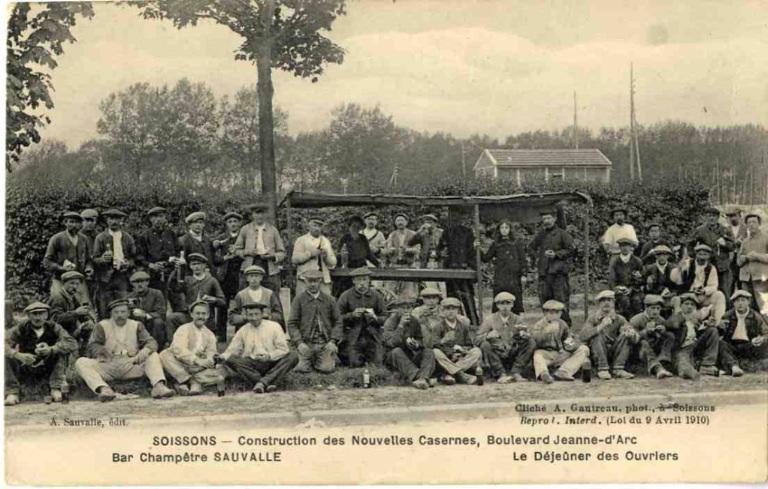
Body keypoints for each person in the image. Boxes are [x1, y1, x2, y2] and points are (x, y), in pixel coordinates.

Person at [74, 299, 175, 401]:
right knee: (81, 362)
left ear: (128, 313)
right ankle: (104, 389)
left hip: (131, 363)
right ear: (111, 314)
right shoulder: (102, 325)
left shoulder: (136, 325)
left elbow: (151, 342)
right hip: (108, 363)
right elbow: (92, 345)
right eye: (116, 312)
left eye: (123, 312)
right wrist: (102, 351)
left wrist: (145, 351)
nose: (120, 315)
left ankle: (158, 387)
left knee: (153, 355)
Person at [5, 302, 77, 406]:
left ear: (47, 315)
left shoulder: (54, 327)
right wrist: (18, 355)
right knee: (6, 356)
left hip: (48, 367)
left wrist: (51, 349)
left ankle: (55, 388)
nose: (38, 317)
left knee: (60, 352)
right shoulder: (21, 328)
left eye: (41, 313)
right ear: (29, 316)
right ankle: (12, 392)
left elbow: (72, 343)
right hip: (26, 366)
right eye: (34, 314)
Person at [219, 302, 298, 393]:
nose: (254, 318)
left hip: (272, 363)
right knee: (230, 359)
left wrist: (269, 356)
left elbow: (283, 349)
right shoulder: (243, 330)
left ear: (262, 314)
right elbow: (232, 350)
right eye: (250, 315)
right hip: (252, 365)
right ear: (246, 316)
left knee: (293, 356)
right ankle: (268, 382)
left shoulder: (274, 326)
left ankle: (262, 382)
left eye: (256, 314)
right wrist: (222, 356)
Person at [159, 300, 224, 395]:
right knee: (164, 355)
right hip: (181, 363)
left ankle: (183, 383)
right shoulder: (183, 329)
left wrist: (208, 360)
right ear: (191, 314)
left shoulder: (210, 334)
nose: (201, 316)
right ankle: (191, 381)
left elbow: (211, 351)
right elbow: (179, 349)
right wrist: (195, 359)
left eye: (203, 314)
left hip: (198, 367)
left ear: (208, 315)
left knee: (221, 372)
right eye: (197, 313)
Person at [288, 270, 343, 374]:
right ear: (305, 282)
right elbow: (292, 323)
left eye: (316, 281)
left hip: (324, 343)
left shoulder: (329, 300)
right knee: (300, 368)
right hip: (306, 342)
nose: (313, 284)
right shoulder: (298, 300)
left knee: (327, 369)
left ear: (320, 281)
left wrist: (333, 341)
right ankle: (309, 359)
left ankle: (324, 358)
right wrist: (299, 343)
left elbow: (338, 322)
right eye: (310, 281)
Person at [474, 292, 535, 383]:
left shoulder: (517, 319)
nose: (505, 307)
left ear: (512, 305)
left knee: (531, 342)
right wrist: (487, 335)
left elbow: (527, 334)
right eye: (502, 304)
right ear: (497, 305)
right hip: (497, 353)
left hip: (513, 352)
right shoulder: (490, 320)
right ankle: (500, 373)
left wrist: (524, 335)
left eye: (508, 303)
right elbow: (476, 340)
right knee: (485, 344)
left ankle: (516, 372)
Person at [528, 210, 575, 324]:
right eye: (544, 219)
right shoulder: (541, 234)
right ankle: (548, 325)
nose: (546, 221)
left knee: (560, 300)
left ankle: (564, 327)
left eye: (549, 218)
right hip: (544, 273)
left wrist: (557, 254)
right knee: (545, 300)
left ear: (554, 219)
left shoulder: (562, 233)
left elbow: (572, 249)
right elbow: (531, 247)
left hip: (558, 273)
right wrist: (538, 257)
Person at [578, 290, 635, 380]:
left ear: (613, 303)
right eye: (603, 300)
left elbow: (633, 337)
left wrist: (631, 334)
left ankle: (618, 369)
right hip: (598, 352)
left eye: (609, 300)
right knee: (597, 335)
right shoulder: (593, 318)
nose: (606, 303)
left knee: (625, 336)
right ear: (599, 304)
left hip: (615, 351)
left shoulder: (619, 319)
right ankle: (602, 369)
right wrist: (600, 326)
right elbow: (582, 336)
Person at [336, 267, 387, 368]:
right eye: (359, 280)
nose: (362, 283)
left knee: (377, 363)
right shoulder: (346, 296)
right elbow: (336, 318)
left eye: (364, 279)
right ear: (353, 281)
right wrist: (351, 315)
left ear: (369, 280)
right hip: (352, 335)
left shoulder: (376, 296)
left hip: (373, 336)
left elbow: (385, 317)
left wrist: (375, 318)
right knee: (354, 363)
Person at [529, 300, 590, 383]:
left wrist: (570, 345)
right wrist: (547, 332)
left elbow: (568, 339)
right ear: (545, 313)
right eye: (550, 312)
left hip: (560, 353)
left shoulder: (562, 324)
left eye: (557, 313)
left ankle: (564, 371)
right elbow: (535, 340)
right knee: (537, 355)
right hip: (546, 353)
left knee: (583, 349)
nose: (553, 315)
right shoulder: (539, 325)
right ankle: (544, 374)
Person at [91, 208, 136, 318]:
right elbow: (94, 258)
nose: (114, 222)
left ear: (121, 221)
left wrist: (128, 263)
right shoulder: (101, 238)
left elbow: (134, 258)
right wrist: (102, 259)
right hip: (105, 278)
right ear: (107, 220)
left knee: (122, 306)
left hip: (122, 277)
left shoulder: (128, 238)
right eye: (111, 218)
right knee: (104, 308)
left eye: (117, 219)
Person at [166, 253, 226, 336]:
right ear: (190, 266)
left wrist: (213, 299)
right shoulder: (187, 280)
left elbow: (222, 301)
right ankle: (173, 345)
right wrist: (176, 271)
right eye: (193, 264)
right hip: (189, 315)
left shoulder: (212, 281)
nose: (196, 267)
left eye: (199, 264)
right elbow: (174, 288)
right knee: (171, 318)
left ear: (204, 265)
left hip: (205, 317)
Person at [382, 298, 435, 390]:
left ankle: (422, 378)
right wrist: (401, 326)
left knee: (429, 351)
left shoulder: (414, 321)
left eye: (409, 308)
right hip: (393, 357)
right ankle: (419, 377)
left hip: (410, 354)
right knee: (396, 351)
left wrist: (416, 344)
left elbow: (420, 339)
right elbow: (391, 343)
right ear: (397, 309)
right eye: (403, 308)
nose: (406, 310)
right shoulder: (390, 322)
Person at [665, 293, 720, 379]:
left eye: (692, 305)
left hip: (695, 346)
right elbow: (674, 325)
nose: (689, 307)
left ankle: (706, 365)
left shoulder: (696, 320)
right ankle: (687, 371)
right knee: (683, 361)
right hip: (682, 348)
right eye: (686, 304)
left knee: (713, 330)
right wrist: (678, 310)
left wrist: (707, 326)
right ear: (681, 306)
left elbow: (701, 334)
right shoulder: (675, 317)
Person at [43, 211, 93, 305]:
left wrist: (89, 268)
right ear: (65, 223)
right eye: (71, 222)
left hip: (79, 281)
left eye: (77, 222)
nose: (74, 225)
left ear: (81, 224)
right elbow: (47, 261)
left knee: (85, 306)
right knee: (58, 303)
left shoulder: (84, 239)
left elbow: (89, 260)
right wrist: (61, 268)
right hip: (60, 280)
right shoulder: (57, 238)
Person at [428, 297, 481, 385]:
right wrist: (445, 342)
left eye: (454, 309)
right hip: (446, 358)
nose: (451, 311)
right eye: (447, 309)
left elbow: (469, 344)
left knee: (477, 351)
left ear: (457, 311)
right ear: (443, 311)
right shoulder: (438, 326)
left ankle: (449, 374)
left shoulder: (463, 326)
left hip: (461, 359)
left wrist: (462, 350)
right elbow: (433, 344)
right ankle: (462, 375)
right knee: (435, 352)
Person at [437, 208, 477, 323]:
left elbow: (471, 251)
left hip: (464, 267)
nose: (456, 220)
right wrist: (442, 254)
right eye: (453, 218)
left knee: (468, 297)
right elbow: (440, 249)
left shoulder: (468, 232)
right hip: (451, 268)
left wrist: (472, 267)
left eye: (458, 218)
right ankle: (452, 321)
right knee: (451, 297)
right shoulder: (446, 232)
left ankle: (473, 321)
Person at [234, 203, 285, 292]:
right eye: (257, 213)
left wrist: (272, 256)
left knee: (272, 295)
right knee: (247, 294)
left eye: (262, 213)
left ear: (266, 214)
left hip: (269, 268)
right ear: (253, 215)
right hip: (249, 266)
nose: (260, 216)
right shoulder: (245, 229)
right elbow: (237, 249)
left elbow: (282, 252)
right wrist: (248, 252)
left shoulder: (273, 230)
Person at [717, 290, 768, 377]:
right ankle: (734, 367)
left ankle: (738, 364)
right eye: (737, 301)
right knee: (721, 344)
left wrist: (761, 339)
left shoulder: (756, 316)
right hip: (732, 345)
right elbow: (720, 334)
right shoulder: (728, 315)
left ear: (748, 302)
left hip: (749, 344)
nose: (740, 303)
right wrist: (720, 327)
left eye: (743, 300)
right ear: (733, 303)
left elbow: (766, 333)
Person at [687, 206, 736, 297]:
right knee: (706, 290)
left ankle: (724, 310)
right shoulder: (700, 230)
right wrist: (696, 256)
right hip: (706, 266)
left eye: (714, 216)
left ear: (718, 218)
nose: (711, 218)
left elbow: (733, 246)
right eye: (709, 216)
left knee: (724, 292)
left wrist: (725, 244)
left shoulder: (725, 230)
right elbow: (690, 244)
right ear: (706, 217)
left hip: (723, 266)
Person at [671, 244, 727, 322]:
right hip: (687, 293)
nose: (702, 256)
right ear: (696, 254)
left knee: (719, 295)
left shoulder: (711, 268)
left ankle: (718, 322)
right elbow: (674, 279)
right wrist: (679, 268)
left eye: (705, 254)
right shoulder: (688, 263)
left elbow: (713, 285)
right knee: (676, 300)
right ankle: (680, 321)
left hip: (701, 296)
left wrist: (704, 291)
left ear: (709, 256)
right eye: (700, 254)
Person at [481, 220, 527, 314]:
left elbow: (522, 260)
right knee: (499, 298)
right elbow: (486, 258)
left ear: (510, 229)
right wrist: (478, 249)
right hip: (500, 276)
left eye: (506, 227)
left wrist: (524, 274)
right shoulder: (496, 244)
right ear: (499, 230)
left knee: (515, 300)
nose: (504, 230)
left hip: (514, 276)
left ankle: (516, 323)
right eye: (502, 228)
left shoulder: (516, 243)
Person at [213, 211, 244, 340]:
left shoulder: (244, 237)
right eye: (230, 222)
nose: (233, 224)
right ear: (226, 224)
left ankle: (239, 334)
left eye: (235, 221)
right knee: (222, 305)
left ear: (240, 223)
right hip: (224, 276)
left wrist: (238, 254)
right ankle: (221, 335)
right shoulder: (220, 238)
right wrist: (225, 257)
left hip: (239, 275)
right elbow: (214, 259)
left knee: (239, 305)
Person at [47, 271, 97, 350]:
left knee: (90, 328)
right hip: (57, 335)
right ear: (64, 283)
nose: (75, 286)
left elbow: (82, 312)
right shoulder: (58, 298)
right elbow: (55, 319)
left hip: (69, 331)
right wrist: (75, 313)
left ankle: (84, 352)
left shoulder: (71, 297)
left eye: (77, 284)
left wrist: (89, 320)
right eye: (72, 283)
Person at [628, 295, 675, 379]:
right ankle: (658, 368)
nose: (655, 311)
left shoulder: (660, 320)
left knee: (670, 335)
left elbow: (663, 337)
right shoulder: (636, 319)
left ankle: (663, 360)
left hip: (654, 347)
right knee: (644, 343)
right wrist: (645, 331)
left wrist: (663, 331)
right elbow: (632, 339)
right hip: (639, 350)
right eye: (653, 308)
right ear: (646, 307)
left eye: (658, 308)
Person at [135, 206, 177, 296]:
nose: (158, 219)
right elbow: (139, 257)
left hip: (171, 273)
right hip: (153, 275)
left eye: (161, 216)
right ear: (150, 219)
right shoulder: (144, 236)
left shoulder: (171, 234)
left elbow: (177, 251)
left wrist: (171, 262)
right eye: (155, 217)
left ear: (165, 218)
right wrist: (151, 265)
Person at [229, 265, 284, 330]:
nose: (254, 279)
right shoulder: (241, 295)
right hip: (246, 329)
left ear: (261, 278)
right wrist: (245, 317)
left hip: (266, 329)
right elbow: (232, 317)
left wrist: (267, 316)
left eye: (256, 276)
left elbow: (279, 315)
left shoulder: (269, 294)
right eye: (251, 276)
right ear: (247, 278)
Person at [291, 218, 337, 297]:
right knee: (303, 302)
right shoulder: (301, 240)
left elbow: (333, 262)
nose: (317, 228)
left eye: (319, 226)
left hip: (322, 279)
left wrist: (326, 257)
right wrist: (310, 254)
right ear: (309, 227)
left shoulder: (325, 241)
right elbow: (294, 259)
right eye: (314, 225)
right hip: (305, 279)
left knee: (325, 303)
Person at [336, 215, 380, 295]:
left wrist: (378, 264)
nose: (355, 228)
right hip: (348, 269)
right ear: (349, 227)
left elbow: (368, 254)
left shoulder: (363, 238)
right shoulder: (345, 238)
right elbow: (339, 254)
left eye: (358, 226)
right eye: (353, 226)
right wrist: (343, 261)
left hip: (361, 268)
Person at [381, 213, 420, 300]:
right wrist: (390, 250)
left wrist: (407, 250)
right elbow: (386, 250)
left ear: (406, 222)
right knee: (391, 289)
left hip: (408, 265)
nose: (400, 222)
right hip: (394, 265)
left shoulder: (413, 234)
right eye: (398, 220)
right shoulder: (392, 235)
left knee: (409, 290)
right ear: (395, 223)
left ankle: (408, 305)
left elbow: (418, 249)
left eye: (402, 220)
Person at [736, 212, 768, 315]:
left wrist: (757, 256)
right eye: (749, 222)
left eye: (754, 222)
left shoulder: (766, 238)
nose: (751, 225)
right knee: (748, 308)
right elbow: (738, 261)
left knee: (763, 307)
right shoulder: (745, 241)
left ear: (759, 224)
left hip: (760, 279)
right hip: (746, 279)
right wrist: (745, 258)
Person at [126, 271, 168, 348]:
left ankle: (158, 348)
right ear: (132, 284)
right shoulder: (129, 296)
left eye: (142, 281)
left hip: (152, 324)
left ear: (147, 282)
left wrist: (145, 315)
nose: (139, 285)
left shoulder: (156, 293)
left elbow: (161, 312)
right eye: (135, 282)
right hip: (137, 325)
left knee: (158, 322)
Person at [608, 238, 645, 318]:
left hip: (635, 290)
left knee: (637, 301)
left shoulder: (637, 261)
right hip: (620, 289)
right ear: (620, 248)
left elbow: (641, 278)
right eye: (622, 246)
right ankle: (626, 322)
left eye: (627, 246)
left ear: (631, 247)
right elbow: (612, 278)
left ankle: (637, 322)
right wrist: (616, 288)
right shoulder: (615, 261)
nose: (624, 248)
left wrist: (632, 288)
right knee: (624, 301)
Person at [726, 206, 748, 296]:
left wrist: (742, 242)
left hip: (742, 259)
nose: (732, 218)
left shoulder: (746, 228)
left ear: (740, 216)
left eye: (734, 216)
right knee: (730, 282)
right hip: (730, 259)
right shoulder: (726, 229)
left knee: (741, 282)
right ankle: (729, 304)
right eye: (730, 216)